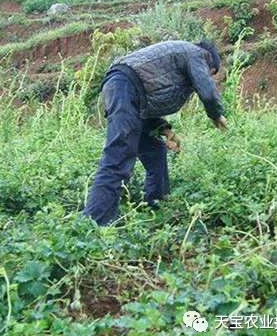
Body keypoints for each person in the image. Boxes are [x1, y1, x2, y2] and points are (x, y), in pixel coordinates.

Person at [83, 39, 227, 226]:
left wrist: (166, 131)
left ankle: (155, 208)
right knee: (118, 158)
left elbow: (146, 99)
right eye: (211, 74)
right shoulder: (197, 54)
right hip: (124, 87)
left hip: (127, 91)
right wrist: (216, 115)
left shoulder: (174, 62)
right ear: (210, 62)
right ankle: (92, 224)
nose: (208, 77)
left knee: (155, 151)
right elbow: (207, 92)